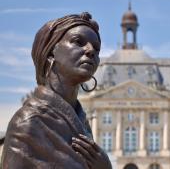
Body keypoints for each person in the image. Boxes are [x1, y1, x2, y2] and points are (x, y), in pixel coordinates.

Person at [1, 12, 112, 169]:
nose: (90, 50)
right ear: (51, 51)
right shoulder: (29, 123)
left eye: (97, 48)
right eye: (78, 42)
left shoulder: (82, 122)